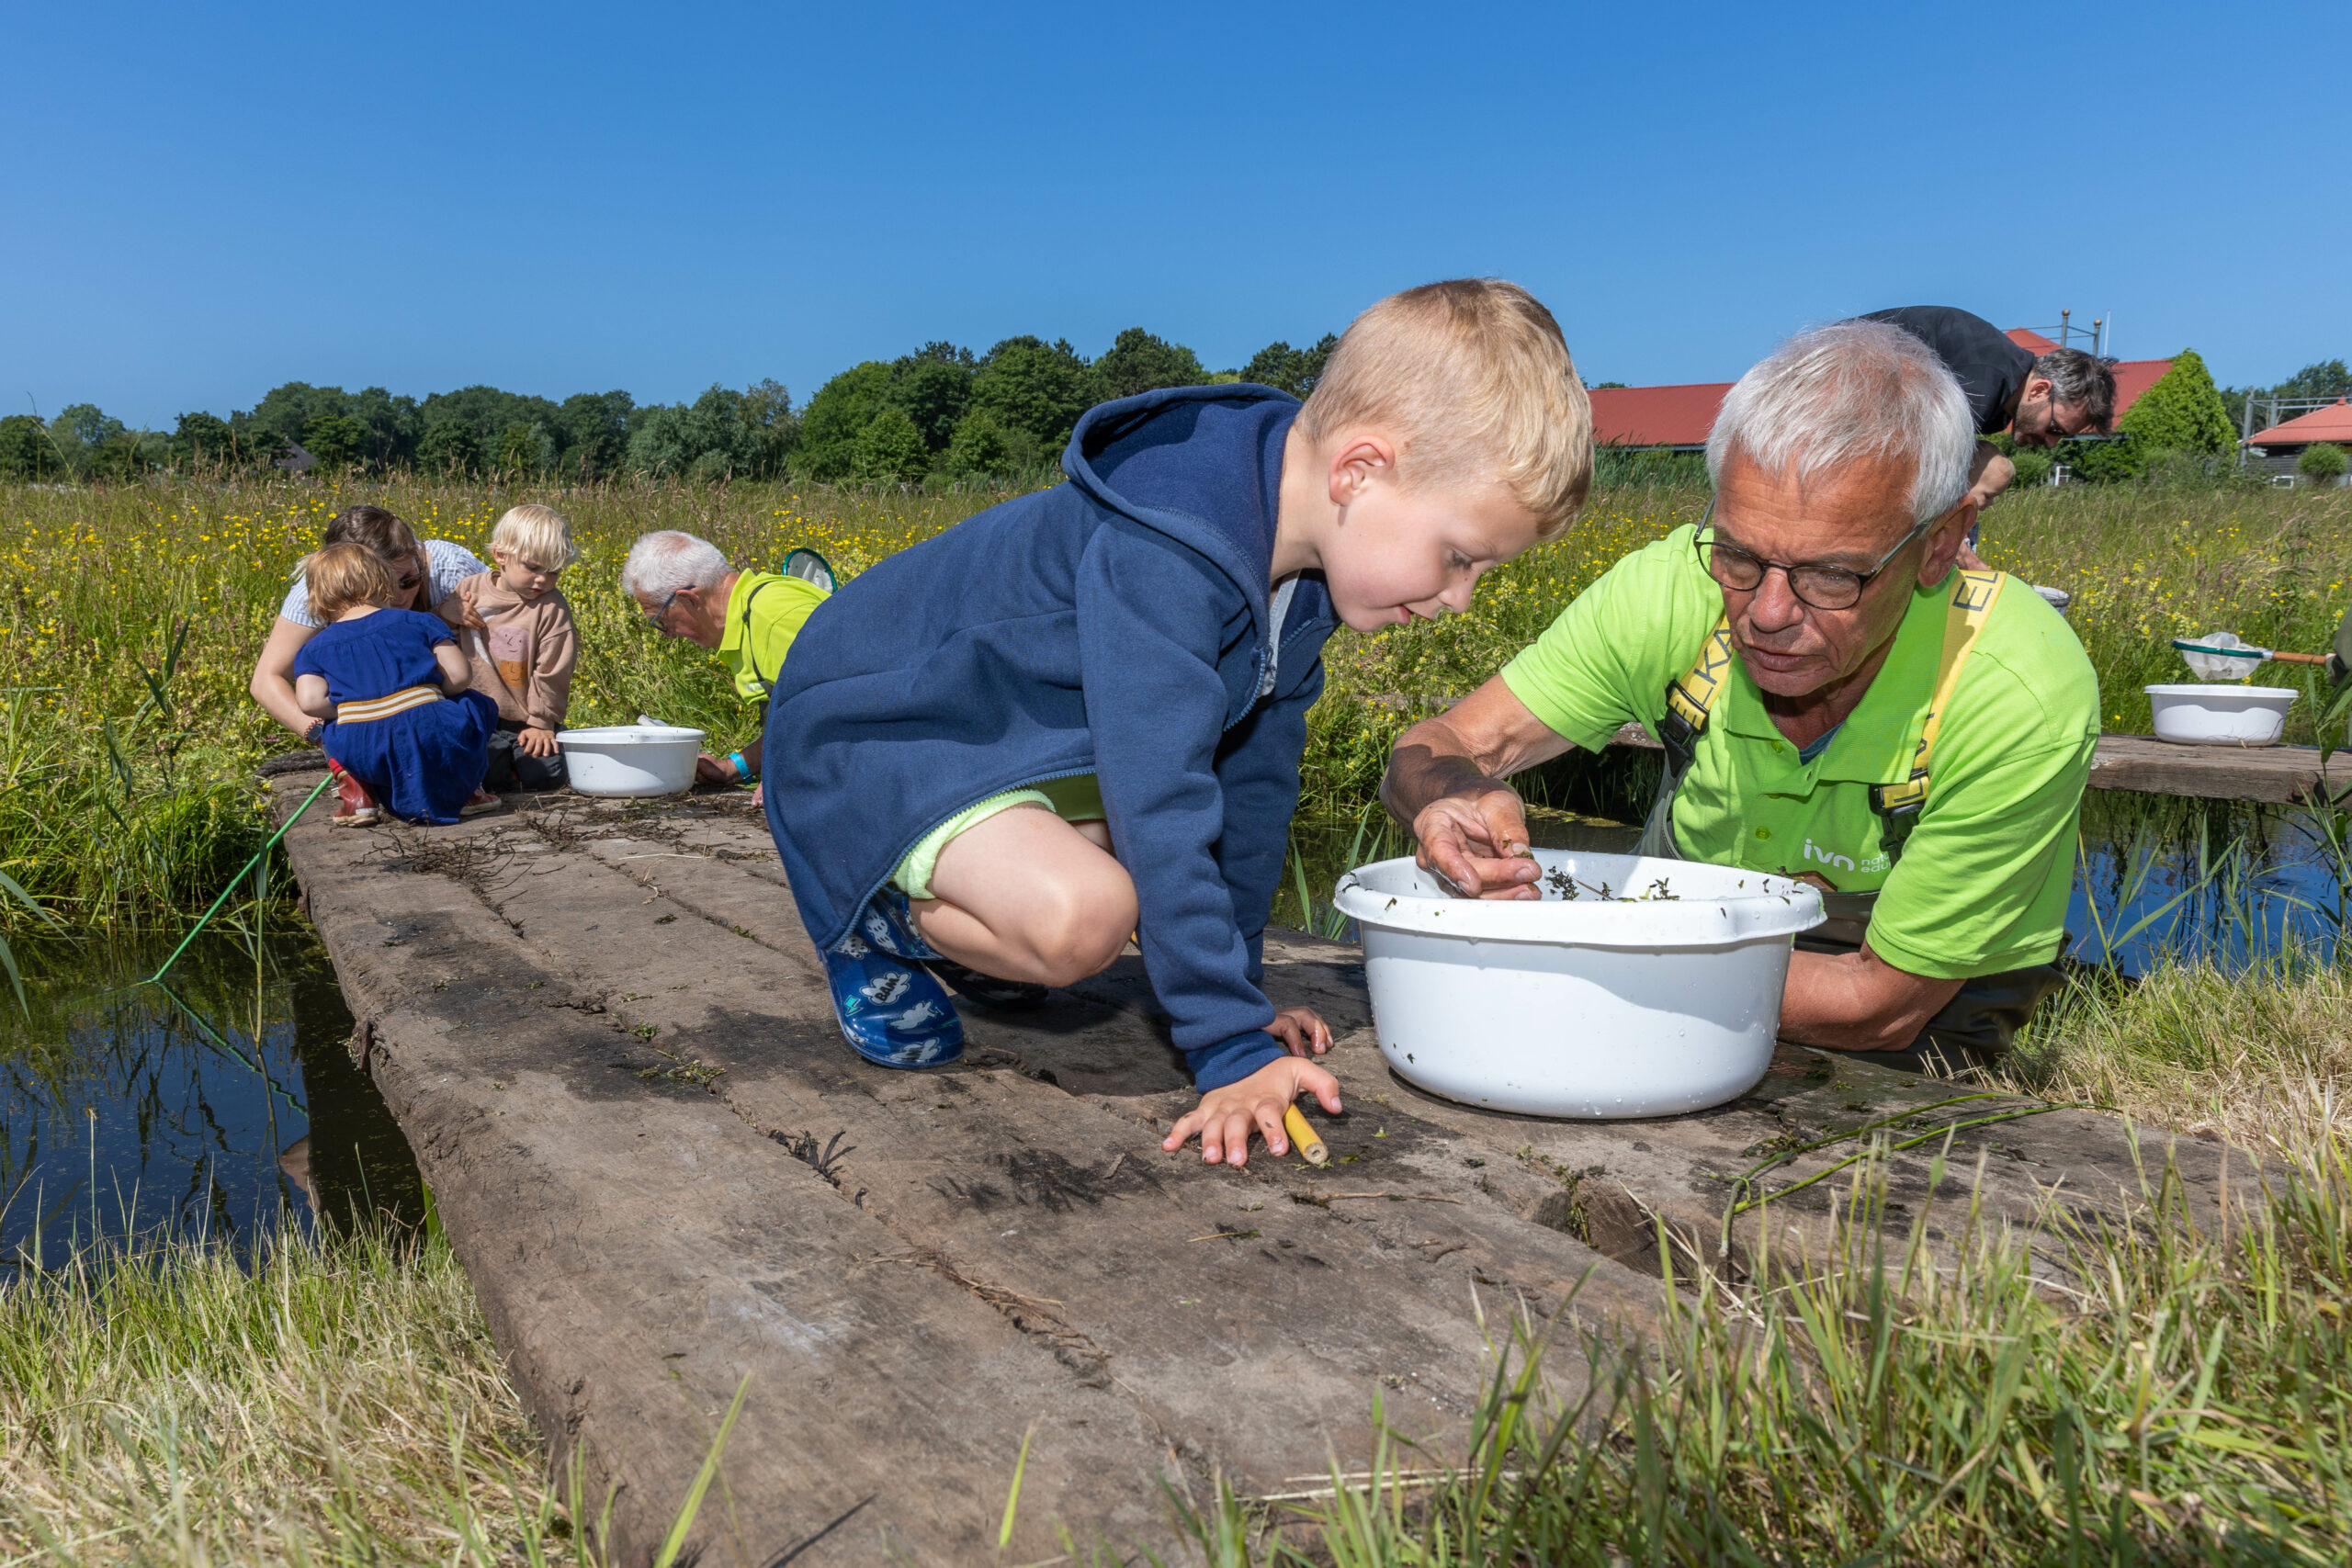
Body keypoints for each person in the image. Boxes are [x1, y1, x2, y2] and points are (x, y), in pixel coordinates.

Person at [759, 279, 1593, 1169]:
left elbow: (1249, 789)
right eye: (1458, 556)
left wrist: (1235, 992)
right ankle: (874, 919)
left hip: (997, 746)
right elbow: (1160, 801)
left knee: (1131, 868)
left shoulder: (1298, 576)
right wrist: (1228, 1050)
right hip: (872, 737)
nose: (1458, 600)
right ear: (1358, 470)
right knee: (1087, 912)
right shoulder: (1171, 547)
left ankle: (961, 917)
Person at [1381, 319, 2098, 1075]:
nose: (1768, 614)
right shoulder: (1670, 588)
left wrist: (1589, 959)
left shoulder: (2021, 691)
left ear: (1941, 544)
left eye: (1832, 575)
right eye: (1739, 555)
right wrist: (1448, 795)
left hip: (1921, 994)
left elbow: (1879, 1005)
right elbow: (1443, 742)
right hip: (1686, 937)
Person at [251, 505, 493, 821]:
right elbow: (265, 679)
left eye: (408, 580)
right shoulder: (317, 587)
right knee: (474, 706)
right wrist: (322, 737)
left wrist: (351, 718)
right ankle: (465, 786)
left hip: (361, 741)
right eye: (386, 588)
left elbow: (310, 699)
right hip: (434, 724)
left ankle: (354, 780)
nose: (399, 597)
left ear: (419, 557)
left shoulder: (450, 567)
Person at [1858, 307, 2118, 556]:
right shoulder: (1986, 380)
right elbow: (1927, 473)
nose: (2051, 444)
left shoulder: (2001, 400)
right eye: (2054, 429)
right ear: (2039, 390)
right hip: (1841, 372)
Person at [621, 531, 834, 806]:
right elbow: (796, 722)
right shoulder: (748, 617)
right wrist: (733, 769)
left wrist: (784, 774)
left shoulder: (775, 619)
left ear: (690, 600)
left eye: (661, 620)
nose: (667, 634)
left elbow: (844, 708)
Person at [438, 504, 580, 791]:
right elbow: (441, 637)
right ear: (501, 555)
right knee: (487, 773)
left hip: (523, 717)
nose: (542, 579)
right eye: (533, 567)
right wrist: (445, 613)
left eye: (553, 572)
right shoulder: (470, 589)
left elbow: (553, 669)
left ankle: (539, 748)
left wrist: (542, 722)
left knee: (547, 774)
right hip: (474, 712)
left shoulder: (551, 607)